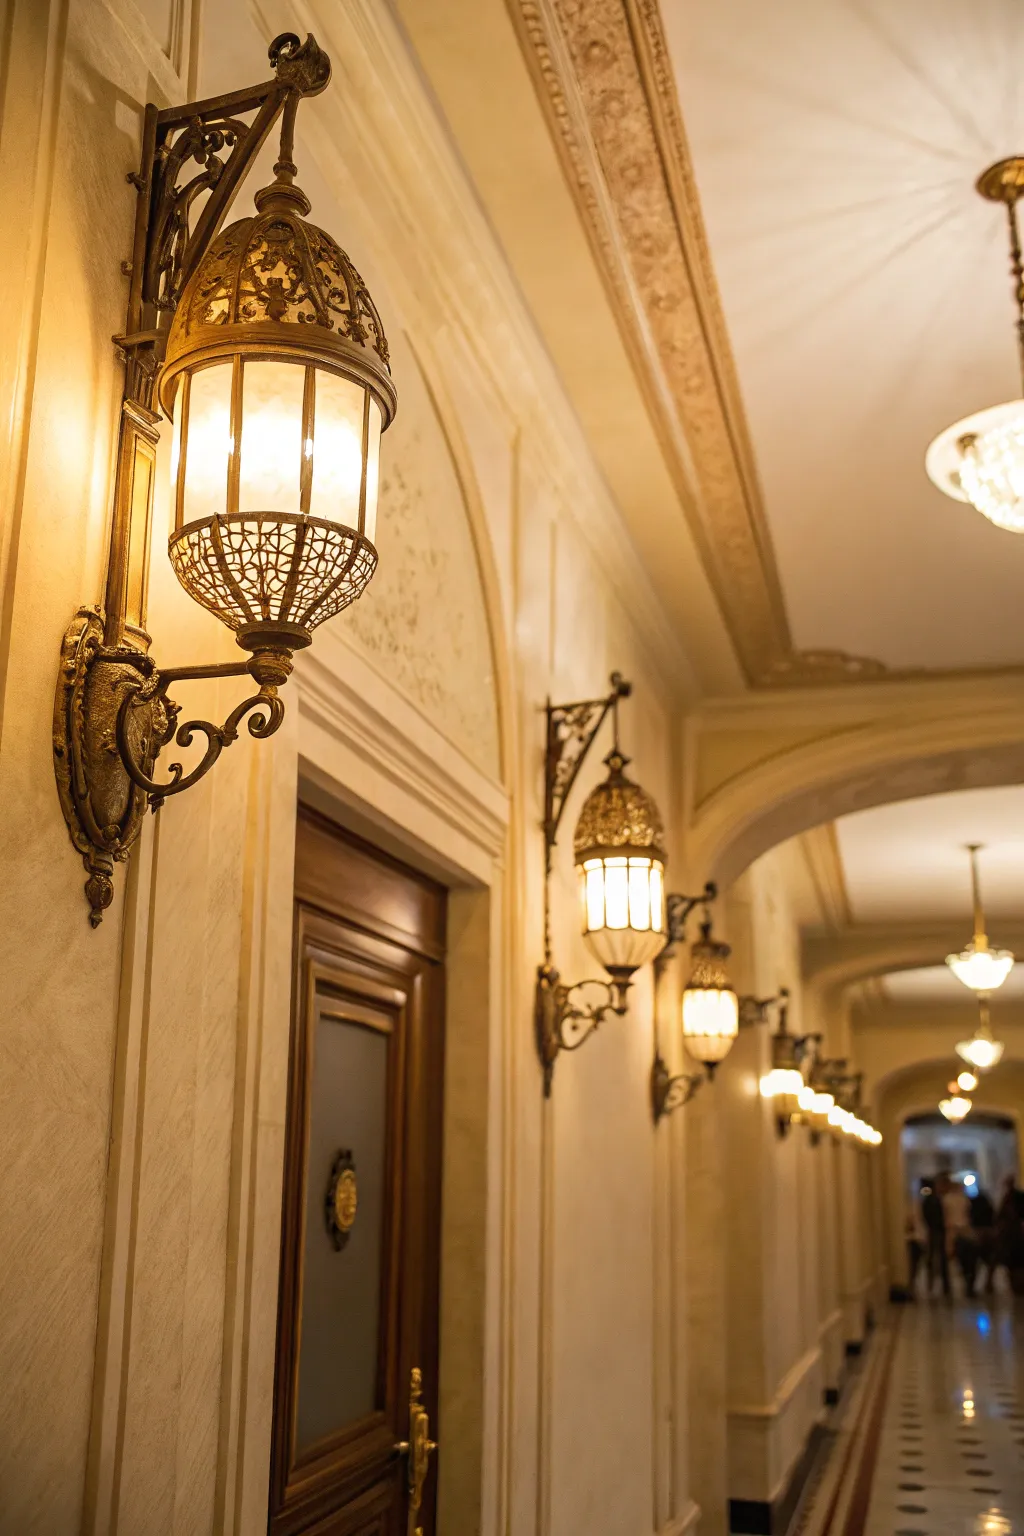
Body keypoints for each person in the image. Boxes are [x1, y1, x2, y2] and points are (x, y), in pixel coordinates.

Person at [942, 1175, 977, 1295]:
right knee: (966, 1259)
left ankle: (963, 1283)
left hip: (956, 1231)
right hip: (960, 1230)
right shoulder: (961, 1199)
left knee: (958, 1258)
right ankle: (967, 1283)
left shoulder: (950, 1199)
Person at [996, 1173, 1024, 1296]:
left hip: (1015, 1233)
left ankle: (1018, 1284)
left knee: (1016, 1261)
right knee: (1013, 1261)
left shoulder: (1014, 1197)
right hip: (1011, 1234)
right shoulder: (1009, 1197)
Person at [921, 1175, 949, 1298]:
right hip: (937, 1231)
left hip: (934, 1231)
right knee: (940, 1259)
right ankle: (944, 1286)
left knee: (934, 1259)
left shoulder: (930, 1201)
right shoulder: (936, 1200)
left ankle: (932, 1285)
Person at [969, 1186, 996, 1296]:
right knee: (990, 1260)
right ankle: (988, 1282)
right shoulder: (987, 1206)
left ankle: (973, 1283)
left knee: (976, 1259)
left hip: (978, 1232)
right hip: (988, 1231)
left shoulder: (974, 1205)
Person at [904, 1199, 925, 1298]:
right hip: (914, 1242)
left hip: (916, 1242)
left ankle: (911, 1286)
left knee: (914, 1267)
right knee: (913, 1267)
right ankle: (911, 1286)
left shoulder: (914, 1213)